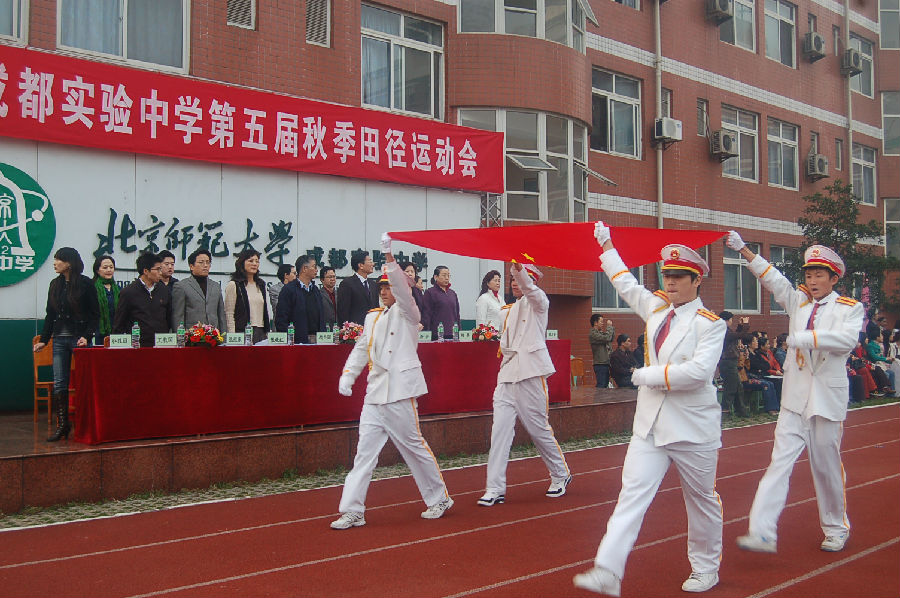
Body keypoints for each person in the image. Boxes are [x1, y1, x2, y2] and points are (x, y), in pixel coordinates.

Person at [574, 223, 726, 596]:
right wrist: (607, 246)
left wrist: (646, 376)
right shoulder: (657, 307)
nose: (670, 282)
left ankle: (706, 567)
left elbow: (698, 373)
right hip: (650, 426)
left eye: (679, 276)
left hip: (692, 428)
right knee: (631, 496)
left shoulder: (710, 325)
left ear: (697, 280)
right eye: (666, 274)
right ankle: (608, 570)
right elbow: (625, 282)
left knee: (701, 501)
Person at [727, 232, 864, 555]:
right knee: (778, 464)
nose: (812, 281)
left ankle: (835, 527)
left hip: (826, 400)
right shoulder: (798, 300)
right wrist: (743, 250)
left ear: (834, 278)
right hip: (794, 398)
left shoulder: (849, 308)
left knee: (826, 468)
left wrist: (806, 338)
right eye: (809, 275)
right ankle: (762, 531)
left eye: (819, 275)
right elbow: (772, 278)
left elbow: (846, 341)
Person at [332, 233, 453, 529]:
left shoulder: (409, 313)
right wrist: (348, 375)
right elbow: (361, 348)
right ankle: (353, 509)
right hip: (375, 393)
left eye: (389, 286)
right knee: (363, 454)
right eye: (382, 287)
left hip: (400, 391)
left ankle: (439, 498)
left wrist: (389, 258)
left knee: (413, 447)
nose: (385, 291)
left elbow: (402, 290)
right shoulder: (372, 317)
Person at [478, 261, 571, 507]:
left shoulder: (540, 303)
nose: (515, 284)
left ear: (531, 282)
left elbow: (530, 290)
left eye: (519, 279)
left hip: (531, 373)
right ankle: (494, 487)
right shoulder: (507, 310)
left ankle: (560, 473)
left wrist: (518, 270)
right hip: (507, 375)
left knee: (538, 429)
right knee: (499, 432)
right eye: (512, 280)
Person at [33, 247, 99, 442]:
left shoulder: (85, 284)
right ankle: (63, 424)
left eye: (58, 260)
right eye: (54, 259)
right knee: (60, 382)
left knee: (85, 381)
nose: (55, 263)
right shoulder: (55, 284)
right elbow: (50, 315)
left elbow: (95, 315)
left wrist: (87, 336)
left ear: (69, 263)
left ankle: (87, 422)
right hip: (60, 339)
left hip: (79, 339)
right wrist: (44, 340)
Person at [113, 252, 172, 347]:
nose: (160, 273)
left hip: (160, 345)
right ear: (146, 271)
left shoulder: (164, 290)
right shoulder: (128, 292)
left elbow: (169, 317)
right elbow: (119, 323)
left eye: (160, 269)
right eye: (157, 269)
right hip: (137, 345)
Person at [170, 249, 227, 332]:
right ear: (191, 266)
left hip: (214, 335)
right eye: (201, 262)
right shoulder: (181, 286)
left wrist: (224, 336)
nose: (205, 265)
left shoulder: (216, 286)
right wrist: (180, 336)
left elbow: (221, 315)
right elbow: (178, 316)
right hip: (191, 335)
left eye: (208, 262)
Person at [274, 255, 326, 343]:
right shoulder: (289, 289)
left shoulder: (315, 290)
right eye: (314, 267)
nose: (316, 270)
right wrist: (289, 339)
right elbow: (281, 319)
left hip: (317, 340)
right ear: (305, 268)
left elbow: (321, 316)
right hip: (297, 341)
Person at [224, 249, 270, 344]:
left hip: (261, 332)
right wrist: (233, 336)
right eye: (250, 261)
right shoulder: (234, 284)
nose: (254, 264)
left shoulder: (260, 284)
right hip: (242, 332)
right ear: (242, 263)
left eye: (257, 261)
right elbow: (229, 313)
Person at [717, 311, 748, 416]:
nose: (731, 321)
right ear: (726, 320)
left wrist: (740, 326)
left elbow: (735, 336)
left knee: (738, 386)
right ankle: (725, 410)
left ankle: (740, 410)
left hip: (730, 362)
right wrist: (745, 325)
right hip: (727, 362)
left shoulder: (725, 330)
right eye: (731, 319)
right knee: (731, 386)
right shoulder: (722, 331)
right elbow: (739, 335)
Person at [337, 250, 378, 326]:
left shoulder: (373, 285)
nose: (373, 264)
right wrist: (346, 329)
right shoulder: (347, 284)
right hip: (355, 330)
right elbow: (343, 311)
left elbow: (376, 308)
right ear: (361, 265)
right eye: (370, 261)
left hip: (371, 328)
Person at [742, 335, 780, 414]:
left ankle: (776, 407)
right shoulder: (747, 354)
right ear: (749, 344)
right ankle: (770, 409)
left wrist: (760, 367)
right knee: (766, 384)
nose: (757, 342)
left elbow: (767, 365)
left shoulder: (756, 353)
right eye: (754, 341)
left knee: (771, 384)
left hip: (758, 376)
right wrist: (759, 367)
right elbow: (753, 366)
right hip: (749, 378)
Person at [423, 265, 460, 340]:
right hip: (436, 335)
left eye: (448, 276)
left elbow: (457, 315)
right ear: (436, 277)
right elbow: (426, 315)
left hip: (453, 334)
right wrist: (427, 333)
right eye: (444, 275)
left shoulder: (452, 293)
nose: (447, 278)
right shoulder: (430, 292)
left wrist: (459, 331)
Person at [91, 254, 119, 346]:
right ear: (97, 270)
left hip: (116, 332)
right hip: (97, 333)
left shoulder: (118, 289)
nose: (109, 270)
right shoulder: (91, 288)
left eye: (111, 267)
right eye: (105, 267)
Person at [589, 314, 615, 388]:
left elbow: (610, 338)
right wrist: (609, 327)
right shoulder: (593, 333)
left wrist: (611, 328)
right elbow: (607, 338)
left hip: (605, 363)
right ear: (595, 323)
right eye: (601, 321)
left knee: (605, 385)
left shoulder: (600, 333)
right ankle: (598, 396)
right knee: (601, 386)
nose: (603, 323)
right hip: (600, 364)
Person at [399, 260, 425, 329]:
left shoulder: (417, 291)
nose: (410, 274)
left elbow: (423, 310)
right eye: (407, 271)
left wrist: (421, 323)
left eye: (412, 271)